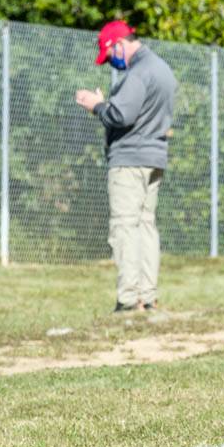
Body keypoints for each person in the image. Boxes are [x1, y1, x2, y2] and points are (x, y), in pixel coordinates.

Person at [75, 20, 178, 312]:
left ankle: (129, 301)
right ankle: (148, 296)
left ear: (119, 45)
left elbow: (122, 116)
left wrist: (96, 104)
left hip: (130, 161)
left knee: (125, 228)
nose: (111, 62)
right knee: (146, 226)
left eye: (109, 56)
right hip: (154, 156)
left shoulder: (138, 72)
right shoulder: (162, 68)